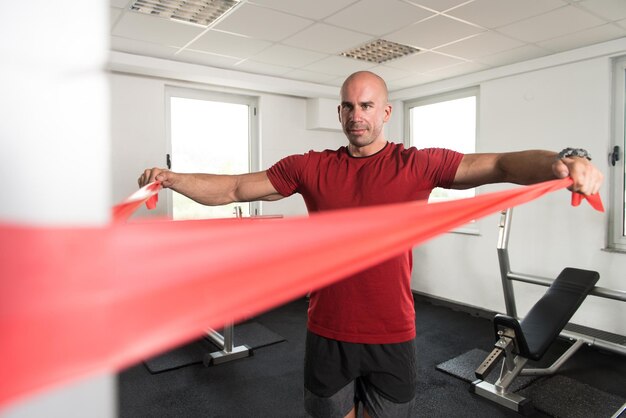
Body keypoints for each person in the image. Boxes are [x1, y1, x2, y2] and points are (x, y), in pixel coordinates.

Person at [138, 71, 603, 418]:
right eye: (348, 107)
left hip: (392, 330)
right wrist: (174, 178)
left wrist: (566, 160)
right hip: (329, 329)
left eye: (366, 106)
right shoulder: (310, 166)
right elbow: (237, 188)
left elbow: (501, 164)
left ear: (385, 112)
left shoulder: (417, 164)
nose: (356, 115)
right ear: (339, 113)